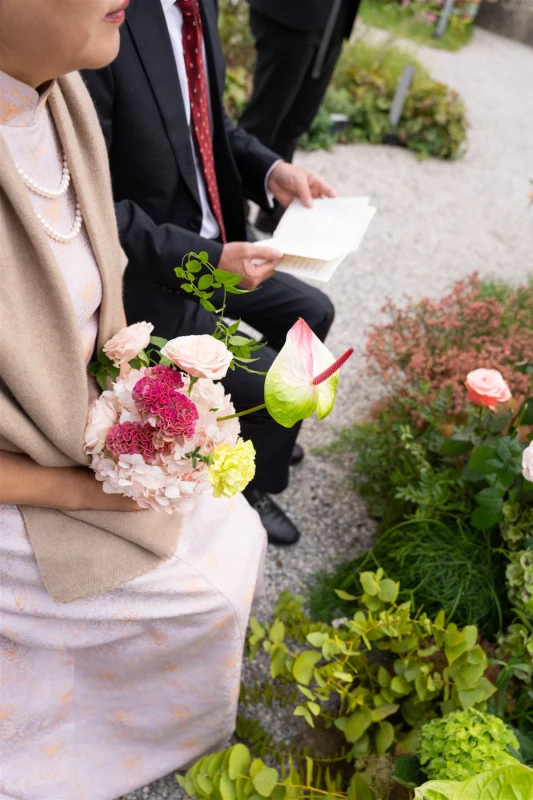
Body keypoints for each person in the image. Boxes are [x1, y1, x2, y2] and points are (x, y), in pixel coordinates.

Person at [0, 2, 266, 797]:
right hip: (29, 472)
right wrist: (89, 488)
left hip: (76, 424)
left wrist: (148, 404)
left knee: (236, 526)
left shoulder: (58, 96)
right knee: (206, 593)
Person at [82, 0, 337, 548]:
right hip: (152, 267)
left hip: (217, 244)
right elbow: (97, 204)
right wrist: (207, 259)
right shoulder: (109, 21)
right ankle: (251, 486)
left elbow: (209, 122)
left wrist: (272, 170)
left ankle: (265, 437)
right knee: (280, 383)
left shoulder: (198, 9)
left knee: (315, 312)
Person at [241, 0, 361, 234]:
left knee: (296, 122)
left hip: (334, 16)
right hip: (291, 14)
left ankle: (274, 211)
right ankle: (233, 207)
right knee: (263, 120)